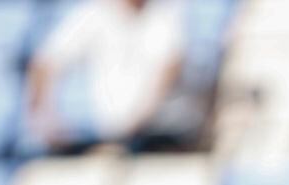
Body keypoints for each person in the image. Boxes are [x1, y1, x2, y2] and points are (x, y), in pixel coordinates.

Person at [27, 0, 191, 152]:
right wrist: (45, 119)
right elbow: (46, 63)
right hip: (118, 141)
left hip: (167, 140)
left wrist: (131, 129)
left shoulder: (167, 11)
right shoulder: (94, 14)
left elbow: (169, 71)